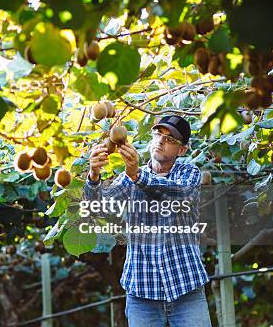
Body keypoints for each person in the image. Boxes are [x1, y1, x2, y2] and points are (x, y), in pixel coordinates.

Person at [83, 115, 212, 327]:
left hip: (186, 288)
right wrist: (94, 176)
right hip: (142, 292)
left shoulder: (189, 173)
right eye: (158, 134)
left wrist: (136, 176)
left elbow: (178, 194)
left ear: (182, 150)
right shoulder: (131, 177)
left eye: (170, 139)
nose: (160, 141)